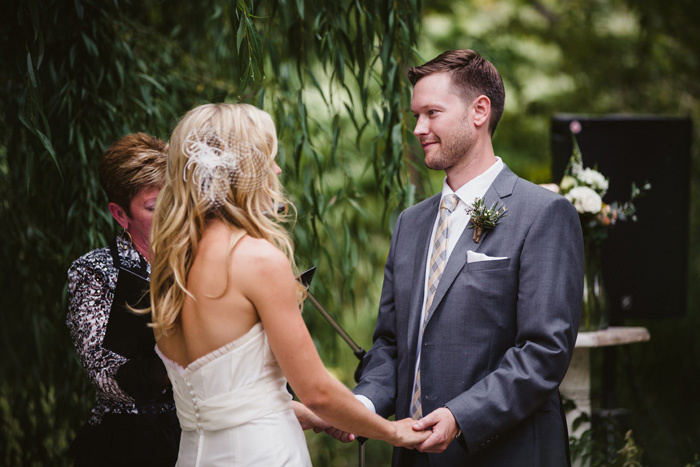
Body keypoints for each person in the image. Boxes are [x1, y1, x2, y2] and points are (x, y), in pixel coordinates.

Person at [148, 103, 430, 466]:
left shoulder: (169, 265)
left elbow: (228, 401)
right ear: (243, 170)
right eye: (269, 158)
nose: (278, 170)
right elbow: (317, 391)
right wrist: (394, 432)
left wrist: (316, 415)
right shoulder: (257, 259)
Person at [353, 49, 585, 466]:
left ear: (479, 111)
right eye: (415, 116)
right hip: (413, 456)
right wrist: (363, 408)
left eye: (432, 113)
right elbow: (390, 343)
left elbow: (543, 351)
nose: (419, 128)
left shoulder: (544, 214)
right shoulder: (410, 223)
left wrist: (461, 417)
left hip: (504, 454)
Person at [66, 133, 180, 466]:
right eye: (154, 207)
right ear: (120, 214)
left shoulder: (200, 263)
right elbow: (107, 377)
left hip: (202, 430)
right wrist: (184, 344)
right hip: (130, 441)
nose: (171, 215)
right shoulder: (94, 272)